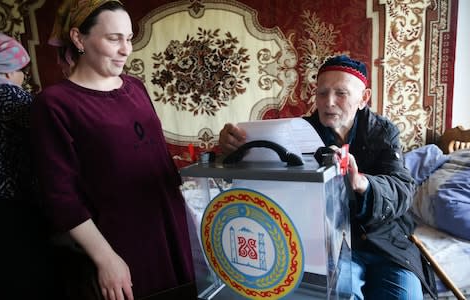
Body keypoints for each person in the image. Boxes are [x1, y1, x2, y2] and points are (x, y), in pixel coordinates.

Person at [219, 55, 437, 299]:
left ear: (363, 98)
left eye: (341, 93)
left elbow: (402, 189)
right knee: (341, 294)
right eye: (322, 94)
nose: (328, 102)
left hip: (385, 242)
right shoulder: (297, 132)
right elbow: (268, 176)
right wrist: (232, 151)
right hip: (328, 244)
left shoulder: (383, 131)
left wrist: (361, 182)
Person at [29, 1, 195, 299]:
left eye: (128, 38)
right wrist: (106, 258)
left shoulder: (136, 87)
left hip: (172, 228)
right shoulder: (55, 104)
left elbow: (157, 160)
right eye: (113, 38)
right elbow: (60, 197)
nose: (126, 50)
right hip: (120, 243)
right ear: (79, 39)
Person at [0, 31, 55, 299]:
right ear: (6, 72)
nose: (23, 78)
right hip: (15, 206)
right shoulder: (17, 100)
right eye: (20, 72)